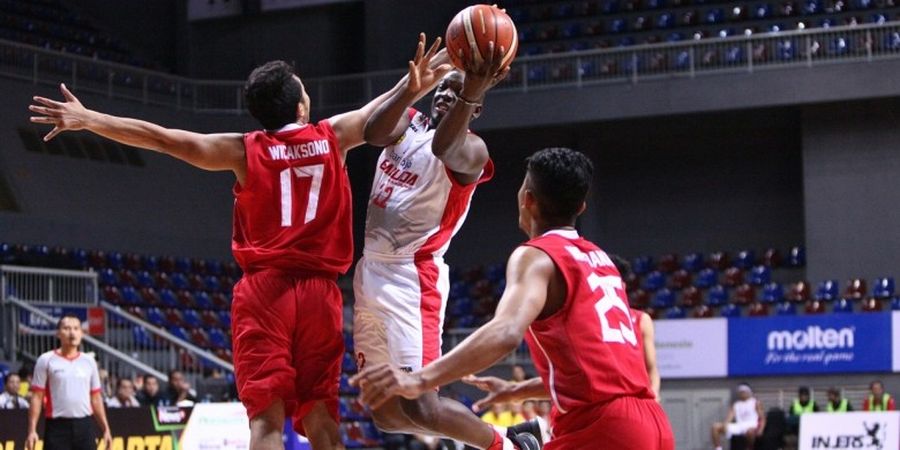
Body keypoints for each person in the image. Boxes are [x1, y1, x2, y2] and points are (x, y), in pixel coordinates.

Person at [29, 34, 440, 450]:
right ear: (301, 105)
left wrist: (89, 119)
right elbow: (378, 114)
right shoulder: (332, 136)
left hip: (265, 293)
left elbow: (162, 137)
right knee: (321, 418)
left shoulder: (243, 151)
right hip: (320, 294)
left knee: (265, 423)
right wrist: (414, 84)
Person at [351, 147, 675, 449]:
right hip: (652, 423)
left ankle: (509, 444)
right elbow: (600, 372)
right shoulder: (601, 260)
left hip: (602, 427)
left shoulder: (536, 256)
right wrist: (518, 390)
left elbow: (506, 333)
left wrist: (420, 378)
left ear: (527, 199)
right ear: (581, 207)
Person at [352, 32, 538, 450]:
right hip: (371, 270)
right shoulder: (410, 123)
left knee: (420, 405)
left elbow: (444, 145)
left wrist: (472, 84)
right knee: (384, 412)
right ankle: (510, 436)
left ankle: (509, 448)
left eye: (456, 94)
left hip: (410, 279)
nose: (444, 97)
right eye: (443, 91)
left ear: (475, 105)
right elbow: (372, 130)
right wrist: (410, 89)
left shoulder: (472, 150)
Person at [26, 314, 112, 450]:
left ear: (82, 334)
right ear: (58, 333)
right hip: (57, 426)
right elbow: (37, 397)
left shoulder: (89, 361)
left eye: (76, 328)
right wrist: (32, 430)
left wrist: (106, 428)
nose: (72, 332)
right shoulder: (46, 360)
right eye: (67, 328)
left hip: (85, 425)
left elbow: (96, 398)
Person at [611, 254, 661, 400]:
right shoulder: (588, 317)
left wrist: (655, 394)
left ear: (622, 285)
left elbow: (652, 368)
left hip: (636, 397)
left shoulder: (641, 319)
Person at [711, 384, 765, 450]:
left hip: (751, 425)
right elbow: (729, 417)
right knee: (715, 427)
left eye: (744, 392)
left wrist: (761, 430)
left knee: (750, 432)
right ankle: (718, 448)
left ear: (749, 392)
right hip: (739, 425)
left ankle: (749, 448)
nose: (742, 394)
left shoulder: (755, 402)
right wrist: (725, 425)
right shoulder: (736, 404)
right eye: (741, 392)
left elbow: (762, 418)